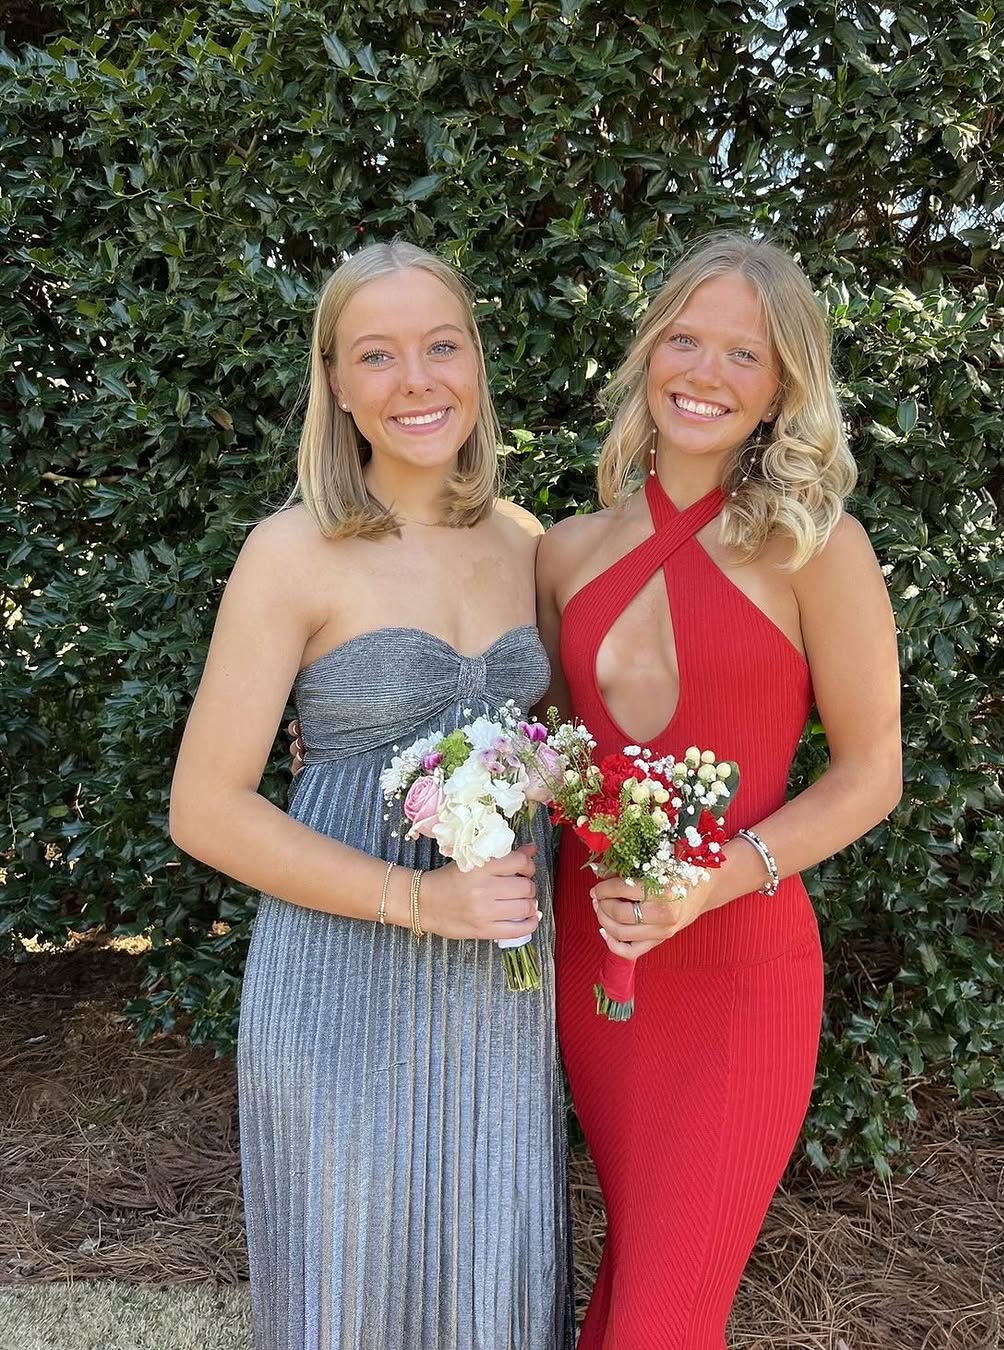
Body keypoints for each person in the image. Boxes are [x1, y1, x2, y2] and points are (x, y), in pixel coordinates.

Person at [169, 240, 573, 1350]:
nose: (416, 381)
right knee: (356, 1285)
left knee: (488, 1272)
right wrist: (419, 900)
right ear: (337, 383)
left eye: (442, 346)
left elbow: (564, 744)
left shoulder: (527, 545)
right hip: (342, 981)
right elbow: (205, 807)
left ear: (476, 363)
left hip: (497, 990)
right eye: (377, 355)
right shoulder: (291, 551)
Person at [535, 232, 902, 1348]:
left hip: (742, 975)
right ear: (649, 352)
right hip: (599, 968)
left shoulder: (818, 551)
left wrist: (712, 879)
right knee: (632, 1278)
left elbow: (871, 774)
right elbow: (555, 752)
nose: (706, 373)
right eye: (685, 340)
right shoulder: (562, 553)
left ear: (783, 386)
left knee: (663, 1316)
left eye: (744, 354)